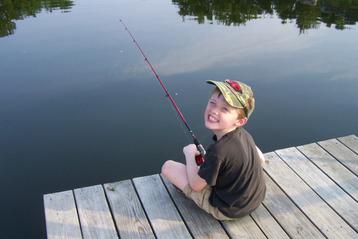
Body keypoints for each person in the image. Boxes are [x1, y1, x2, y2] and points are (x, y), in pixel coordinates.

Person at [161, 79, 266, 220]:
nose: (214, 111)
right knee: (256, 151)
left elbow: (196, 186)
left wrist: (190, 154)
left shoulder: (219, 151)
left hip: (229, 210)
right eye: (212, 102)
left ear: (240, 121)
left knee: (168, 167)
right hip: (255, 198)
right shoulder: (244, 134)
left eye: (225, 109)